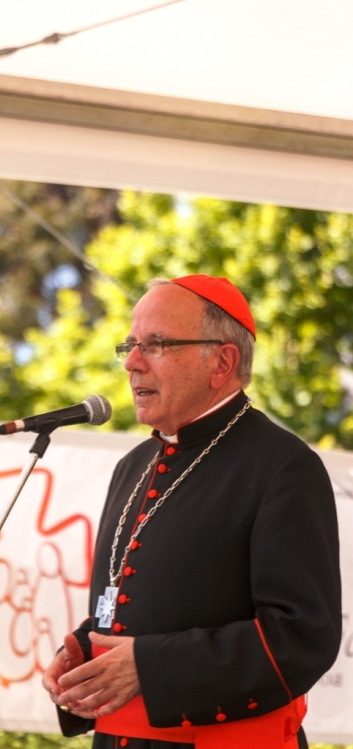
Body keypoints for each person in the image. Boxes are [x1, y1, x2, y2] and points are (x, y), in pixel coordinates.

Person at [42, 274, 341, 749]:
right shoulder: (133, 466)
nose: (132, 362)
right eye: (130, 346)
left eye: (156, 344)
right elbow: (141, 606)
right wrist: (84, 648)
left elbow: (301, 637)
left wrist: (149, 667)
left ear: (222, 362)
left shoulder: (282, 466)